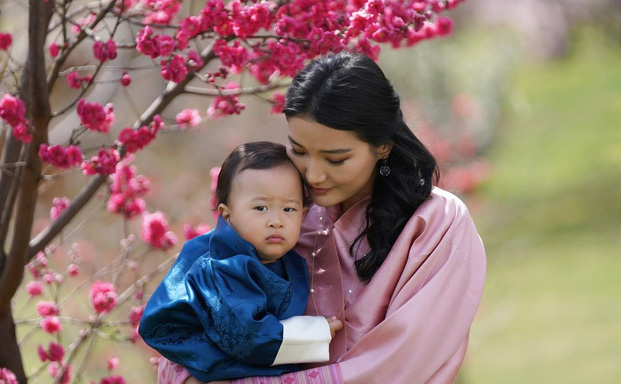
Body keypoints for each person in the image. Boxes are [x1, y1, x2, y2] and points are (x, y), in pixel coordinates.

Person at [159, 51, 487, 384]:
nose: (313, 175)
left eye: (336, 159)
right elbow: (190, 321)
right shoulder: (281, 213)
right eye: (298, 151)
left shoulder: (435, 224)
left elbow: (398, 366)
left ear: (383, 147)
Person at [140, 142, 342, 382]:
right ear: (227, 215)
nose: (276, 220)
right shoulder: (222, 265)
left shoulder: (285, 258)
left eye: (288, 209)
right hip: (209, 357)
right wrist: (314, 333)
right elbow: (245, 334)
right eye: (261, 208)